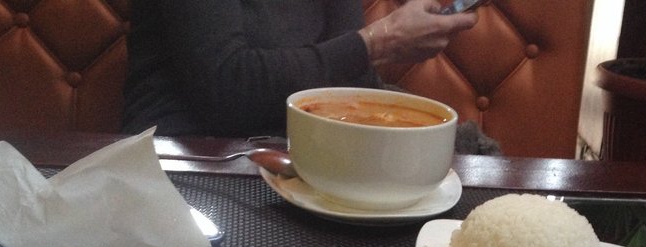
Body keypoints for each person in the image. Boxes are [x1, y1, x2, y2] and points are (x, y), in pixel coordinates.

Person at [121, 0, 479, 139]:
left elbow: (346, 81)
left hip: (302, 155)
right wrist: (378, 42)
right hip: (190, 158)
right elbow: (227, 88)